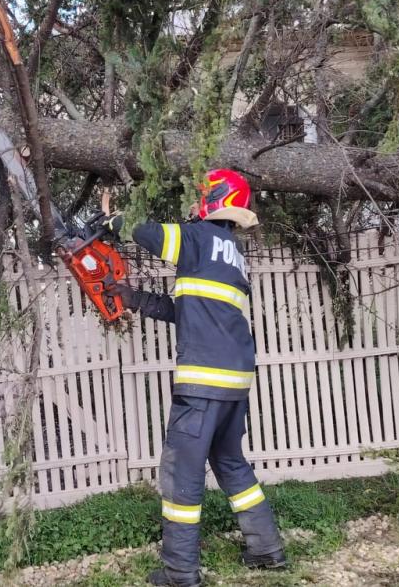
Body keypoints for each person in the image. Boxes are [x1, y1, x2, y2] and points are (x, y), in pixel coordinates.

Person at [102, 169, 286, 587]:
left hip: (202, 384)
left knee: (181, 477)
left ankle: (180, 573)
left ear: (216, 199)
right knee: (231, 464)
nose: (193, 201)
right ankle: (267, 550)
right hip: (235, 382)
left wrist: (115, 221)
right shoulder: (234, 256)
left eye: (201, 194)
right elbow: (187, 311)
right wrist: (135, 299)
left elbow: (149, 234)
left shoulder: (200, 237)